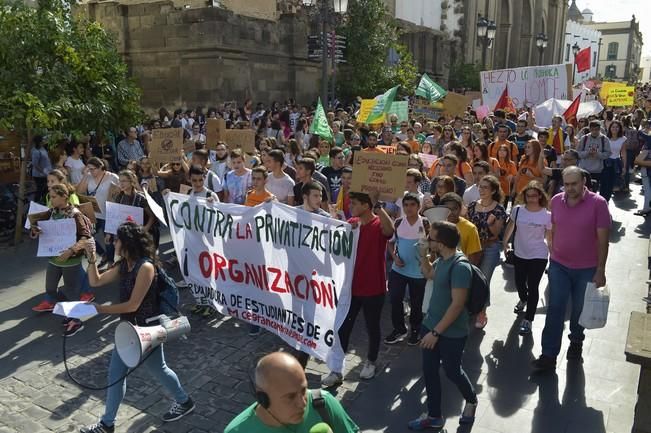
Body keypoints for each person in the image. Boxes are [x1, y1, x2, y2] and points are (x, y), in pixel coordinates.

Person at [79, 222, 195, 433]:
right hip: (129, 329)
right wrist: (91, 257)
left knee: (158, 369)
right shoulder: (124, 265)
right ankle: (107, 423)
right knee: (116, 374)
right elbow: (95, 282)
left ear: (127, 243)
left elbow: (134, 304)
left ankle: (184, 401)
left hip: (147, 329)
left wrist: (101, 310)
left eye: (117, 239)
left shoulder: (146, 267)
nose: (113, 243)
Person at [532, 166, 611, 372]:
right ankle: (548, 354)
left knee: (578, 309)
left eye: (574, 184)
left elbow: (603, 240)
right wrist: (552, 249)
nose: (570, 188)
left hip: (587, 268)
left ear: (584, 182)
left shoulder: (598, 204)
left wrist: (600, 270)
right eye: (566, 184)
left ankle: (576, 340)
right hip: (559, 265)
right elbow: (553, 227)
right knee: (555, 308)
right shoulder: (556, 200)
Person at [408, 221, 478, 430]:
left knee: (452, 371)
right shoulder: (442, 260)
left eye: (431, 238)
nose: (427, 240)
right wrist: (422, 255)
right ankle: (434, 416)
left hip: (450, 332)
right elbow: (429, 274)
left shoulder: (460, 267)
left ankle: (472, 400)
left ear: (442, 243)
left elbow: (457, 305)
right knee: (429, 371)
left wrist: (436, 333)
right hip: (431, 325)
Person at [321, 191, 394, 387]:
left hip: (373, 287)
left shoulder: (379, 224)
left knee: (372, 327)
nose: (350, 206)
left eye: (354, 203)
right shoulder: (352, 222)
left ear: (366, 205)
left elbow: (390, 231)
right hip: (350, 288)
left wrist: (379, 208)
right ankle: (336, 370)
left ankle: (370, 362)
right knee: (343, 328)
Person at [225, 352, 359, 433]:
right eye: (290, 397)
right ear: (263, 397)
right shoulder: (238, 430)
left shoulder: (324, 404)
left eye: (303, 390)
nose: (302, 403)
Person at [30, 184, 94, 336]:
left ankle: (76, 320)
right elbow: (37, 228)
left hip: (70, 260)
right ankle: (69, 308)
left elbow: (86, 237)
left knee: (72, 291)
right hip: (54, 259)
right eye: (50, 197)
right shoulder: (51, 212)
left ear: (64, 197)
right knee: (51, 289)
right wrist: (35, 231)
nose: (50, 200)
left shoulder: (75, 214)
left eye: (53, 197)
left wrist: (71, 251)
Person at [502, 182, 552, 335]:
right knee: (519, 283)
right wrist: (505, 243)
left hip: (539, 255)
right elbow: (510, 226)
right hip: (520, 253)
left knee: (533, 285)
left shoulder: (547, 215)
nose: (531, 199)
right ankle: (523, 299)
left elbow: (549, 237)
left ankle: (528, 320)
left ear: (540, 196)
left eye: (534, 196)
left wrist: (554, 256)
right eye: (528, 196)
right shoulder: (517, 211)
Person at [385, 193, 429, 346]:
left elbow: (433, 245)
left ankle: (415, 330)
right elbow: (390, 243)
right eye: (406, 205)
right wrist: (394, 257)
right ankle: (399, 329)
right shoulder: (397, 223)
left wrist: (427, 261)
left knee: (416, 304)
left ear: (419, 206)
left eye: (412, 205)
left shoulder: (426, 223)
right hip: (398, 270)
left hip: (418, 273)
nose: (409, 208)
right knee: (395, 299)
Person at [466, 175, 507, 329]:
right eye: (480, 187)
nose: (481, 190)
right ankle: (472, 306)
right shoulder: (471, 206)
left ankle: (482, 312)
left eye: (485, 187)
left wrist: (491, 224)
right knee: (471, 278)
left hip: (490, 247)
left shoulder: (498, 209)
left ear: (493, 190)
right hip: (473, 248)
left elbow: (497, 233)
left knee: (484, 280)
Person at [76, 157, 119, 269]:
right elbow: (79, 192)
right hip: (93, 213)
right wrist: (85, 175)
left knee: (108, 238)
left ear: (101, 167)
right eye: (88, 169)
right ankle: (103, 254)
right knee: (88, 236)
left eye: (93, 169)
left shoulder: (112, 177)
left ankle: (110, 261)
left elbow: (119, 193)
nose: (91, 171)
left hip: (108, 213)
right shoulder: (89, 177)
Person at [439, 193, 482, 265]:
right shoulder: (437, 224)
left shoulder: (470, 228)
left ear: (460, 209)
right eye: (447, 209)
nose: (451, 212)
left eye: (455, 208)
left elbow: (473, 257)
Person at [577, 120, 612, 193]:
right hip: (584, 169)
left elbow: (608, 153)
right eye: (592, 130)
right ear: (589, 129)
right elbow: (578, 153)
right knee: (583, 189)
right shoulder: (584, 138)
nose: (594, 132)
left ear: (600, 129)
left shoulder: (604, 139)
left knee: (593, 190)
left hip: (598, 170)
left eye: (596, 130)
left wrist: (598, 154)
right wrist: (587, 153)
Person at [600, 120, 626, 202]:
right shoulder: (605, 138)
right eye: (613, 127)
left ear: (620, 128)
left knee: (611, 184)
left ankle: (606, 201)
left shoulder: (623, 139)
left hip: (616, 164)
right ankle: (601, 201)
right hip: (605, 162)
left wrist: (624, 167)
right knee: (604, 183)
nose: (615, 128)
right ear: (610, 128)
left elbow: (623, 154)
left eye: (617, 127)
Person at [31, 135, 52, 204]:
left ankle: (45, 203)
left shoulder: (42, 148)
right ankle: (35, 204)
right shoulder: (35, 151)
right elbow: (35, 164)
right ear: (39, 142)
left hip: (45, 174)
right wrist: (43, 171)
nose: (44, 141)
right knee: (40, 190)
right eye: (42, 140)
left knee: (45, 190)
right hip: (39, 175)